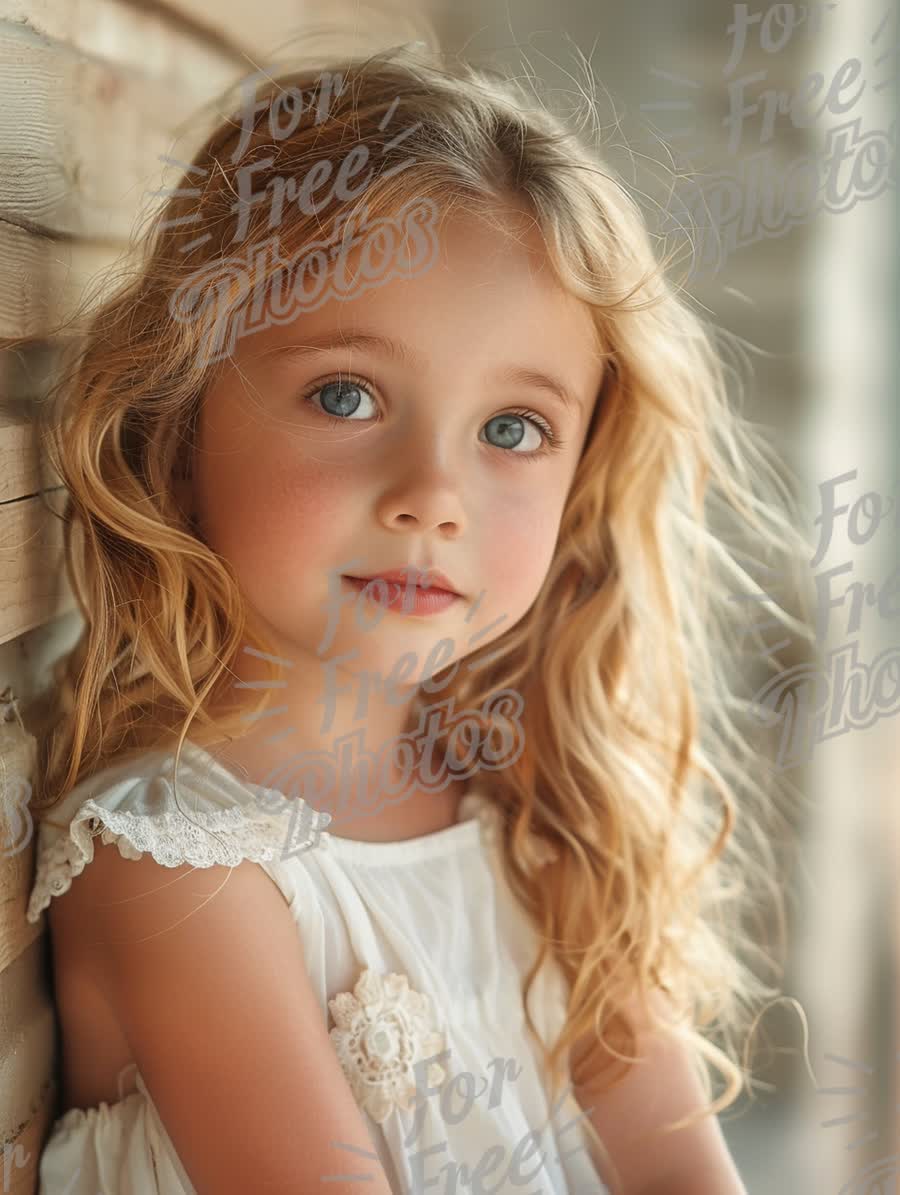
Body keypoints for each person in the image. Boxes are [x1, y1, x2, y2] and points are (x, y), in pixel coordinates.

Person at [22, 22, 809, 1195]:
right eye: (346, 394)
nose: (433, 497)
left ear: (581, 468)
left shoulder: (546, 833)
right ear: (181, 428)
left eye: (512, 429)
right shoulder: (170, 869)